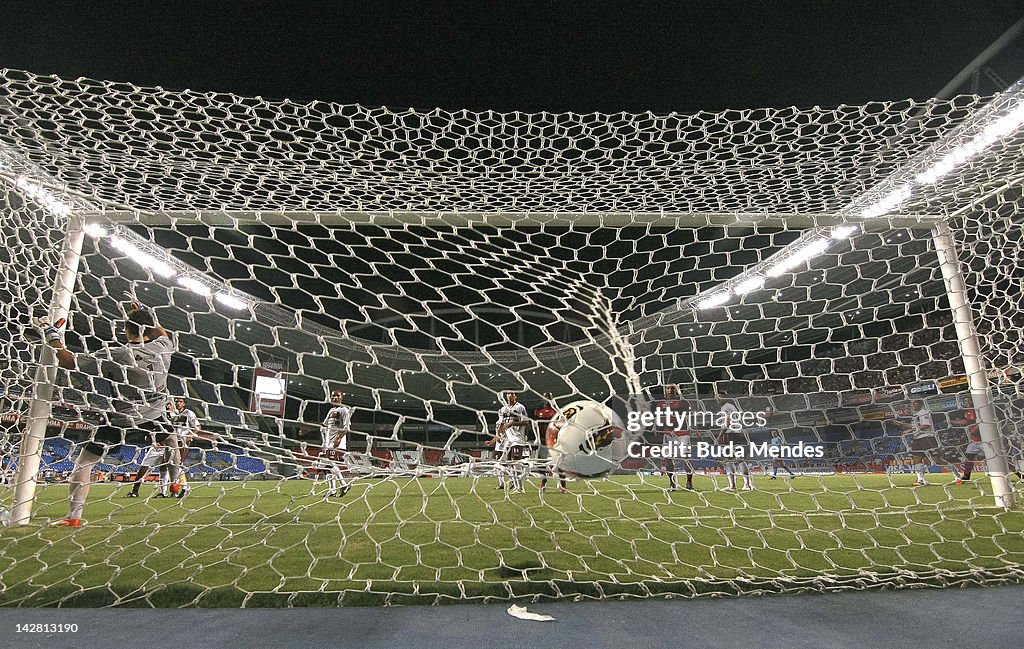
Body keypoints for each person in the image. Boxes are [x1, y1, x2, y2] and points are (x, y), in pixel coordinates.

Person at [31, 307, 176, 527]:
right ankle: (175, 482)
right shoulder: (164, 347)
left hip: (122, 419)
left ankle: (74, 517)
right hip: (155, 413)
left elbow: (70, 363)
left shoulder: (118, 353)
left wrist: (52, 337)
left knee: (84, 463)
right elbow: (162, 332)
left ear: (125, 329)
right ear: (150, 328)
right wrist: (143, 313)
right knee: (172, 440)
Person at [896, 399, 961, 486]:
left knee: (936, 460)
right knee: (917, 459)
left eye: (914, 403)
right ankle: (921, 480)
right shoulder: (916, 415)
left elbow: (926, 426)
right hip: (917, 439)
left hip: (927, 438)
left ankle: (958, 475)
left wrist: (910, 430)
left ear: (920, 404)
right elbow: (915, 425)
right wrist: (901, 424)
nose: (912, 404)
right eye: (911, 403)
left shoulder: (924, 413)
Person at [125, 401, 174, 498]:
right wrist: (153, 441)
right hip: (157, 446)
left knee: (165, 468)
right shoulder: (158, 414)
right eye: (167, 404)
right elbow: (149, 430)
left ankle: (164, 492)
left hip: (170, 446)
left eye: (170, 404)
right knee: (144, 466)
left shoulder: (176, 417)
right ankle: (135, 491)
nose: (168, 406)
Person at [487, 391, 531, 493]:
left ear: (516, 396)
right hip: (508, 441)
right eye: (508, 393)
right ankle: (516, 486)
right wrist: (497, 434)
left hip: (518, 439)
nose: (510, 395)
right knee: (510, 465)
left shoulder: (520, 407)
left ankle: (520, 487)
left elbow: (526, 422)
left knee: (515, 464)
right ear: (506, 396)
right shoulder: (503, 409)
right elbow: (502, 424)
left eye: (512, 393)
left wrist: (513, 423)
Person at [657, 385, 694, 491]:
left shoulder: (682, 402)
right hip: (668, 434)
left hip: (682, 433)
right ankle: (672, 483)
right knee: (668, 459)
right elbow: (660, 417)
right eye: (668, 388)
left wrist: (680, 393)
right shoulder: (661, 404)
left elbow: (688, 409)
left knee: (686, 457)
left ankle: (689, 482)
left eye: (673, 388)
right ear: (665, 390)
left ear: (676, 390)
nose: (670, 390)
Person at [320, 390, 352, 498]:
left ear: (341, 397)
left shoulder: (344, 410)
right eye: (333, 396)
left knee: (328, 463)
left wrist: (338, 438)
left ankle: (344, 484)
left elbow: (346, 427)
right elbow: (324, 425)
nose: (334, 398)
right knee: (325, 467)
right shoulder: (331, 411)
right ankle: (333, 490)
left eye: (337, 396)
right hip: (329, 443)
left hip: (337, 443)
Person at [717, 397, 753, 491]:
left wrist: (720, 435)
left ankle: (740, 485)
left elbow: (728, 422)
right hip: (736, 432)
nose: (718, 399)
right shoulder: (732, 406)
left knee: (734, 459)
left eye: (720, 397)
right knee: (734, 459)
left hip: (730, 433)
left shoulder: (726, 407)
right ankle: (743, 485)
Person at [168, 397, 201, 497]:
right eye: (176, 401)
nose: (178, 403)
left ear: (184, 404)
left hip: (183, 441)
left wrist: (191, 435)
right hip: (172, 441)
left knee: (178, 463)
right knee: (172, 465)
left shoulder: (189, 413)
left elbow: (198, 427)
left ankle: (184, 488)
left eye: (180, 401)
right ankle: (178, 489)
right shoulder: (171, 412)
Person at [536, 393, 567, 494]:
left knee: (560, 464)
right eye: (545, 397)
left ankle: (563, 487)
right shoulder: (538, 412)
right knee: (539, 463)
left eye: (549, 397)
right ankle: (544, 481)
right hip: (542, 441)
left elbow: (562, 425)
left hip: (554, 441)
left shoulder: (557, 412)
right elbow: (536, 426)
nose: (547, 399)